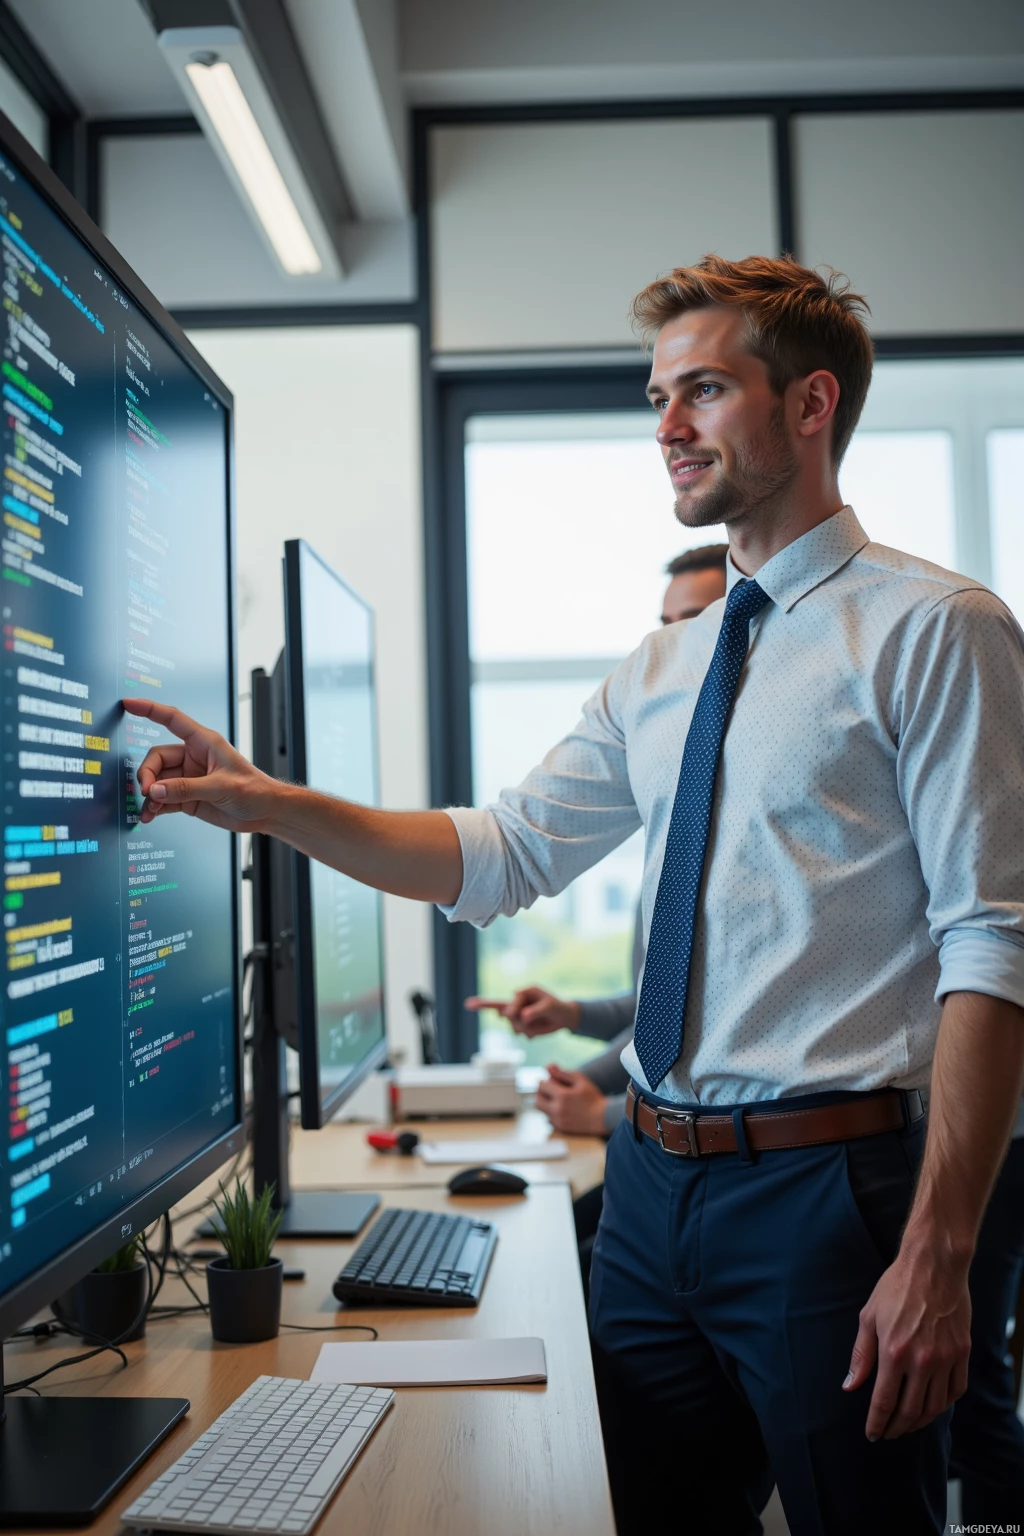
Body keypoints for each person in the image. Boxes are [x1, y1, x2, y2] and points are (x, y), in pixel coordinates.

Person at [123, 254, 1024, 1536]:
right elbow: (493, 855)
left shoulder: (936, 628)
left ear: (811, 404)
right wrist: (264, 801)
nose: (664, 427)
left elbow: (992, 947)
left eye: (702, 390)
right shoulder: (664, 666)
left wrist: (939, 1255)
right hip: (652, 1197)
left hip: (829, 1198)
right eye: (658, 395)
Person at [466, 543, 729, 1141]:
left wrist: (597, 1110)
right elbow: (656, 1006)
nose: (669, 648)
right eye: (663, 628)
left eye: (693, 623)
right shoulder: (671, 797)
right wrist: (571, 1019)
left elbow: (710, 1026)